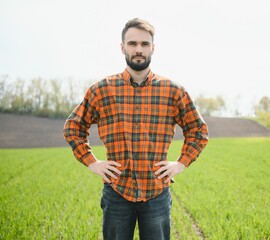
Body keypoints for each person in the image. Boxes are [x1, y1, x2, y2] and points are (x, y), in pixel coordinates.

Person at [63, 18, 208, 240]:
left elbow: (198, 131)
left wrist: (181, 163)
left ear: (153, 48)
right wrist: (93, 163)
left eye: (144, 44)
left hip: (157, 193)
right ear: (122, 47)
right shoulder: (102, 90)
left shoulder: (173, 91)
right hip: (117, 192)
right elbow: (73, 127)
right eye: (132, 44)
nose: (138, 49)